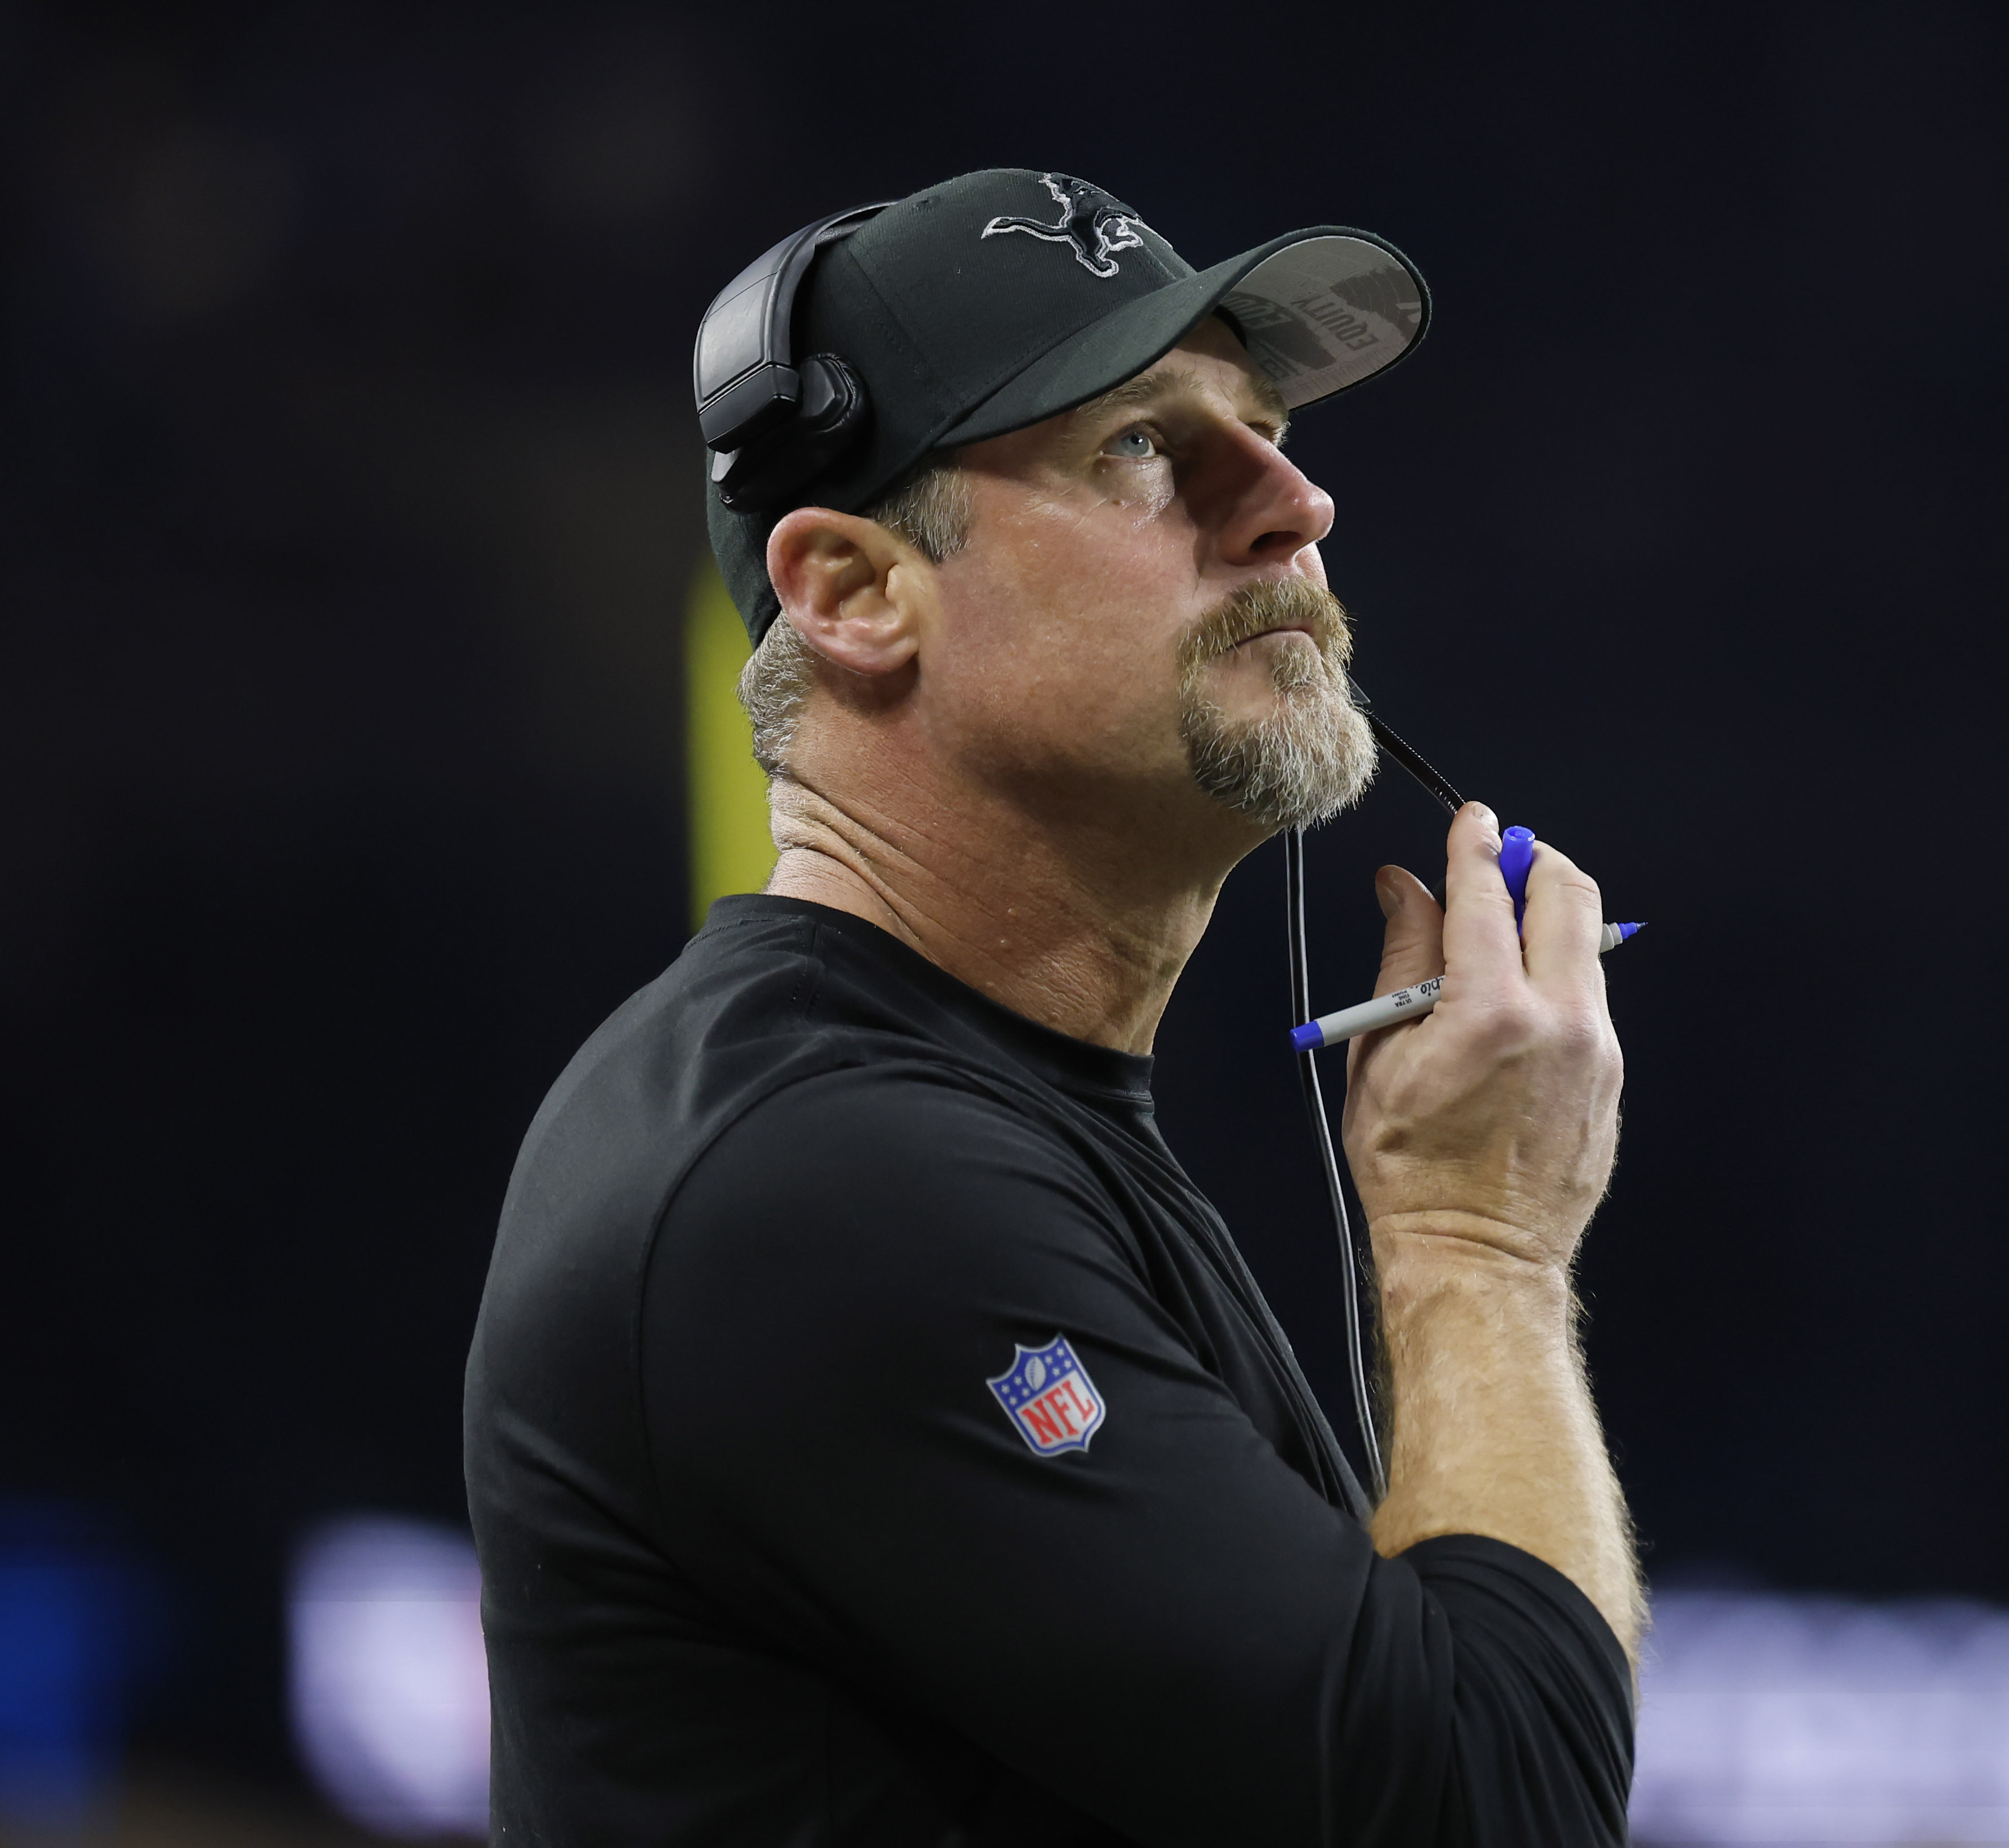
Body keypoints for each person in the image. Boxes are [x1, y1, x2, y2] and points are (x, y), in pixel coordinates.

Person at [463, 168, 1640, 1847]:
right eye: (1143, 448)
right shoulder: (822, 1184)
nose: (1293, 504)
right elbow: (1490, 1814)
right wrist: (1477, 1248)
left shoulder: (942, 1112)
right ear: (857, 592)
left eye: (1271, 429)